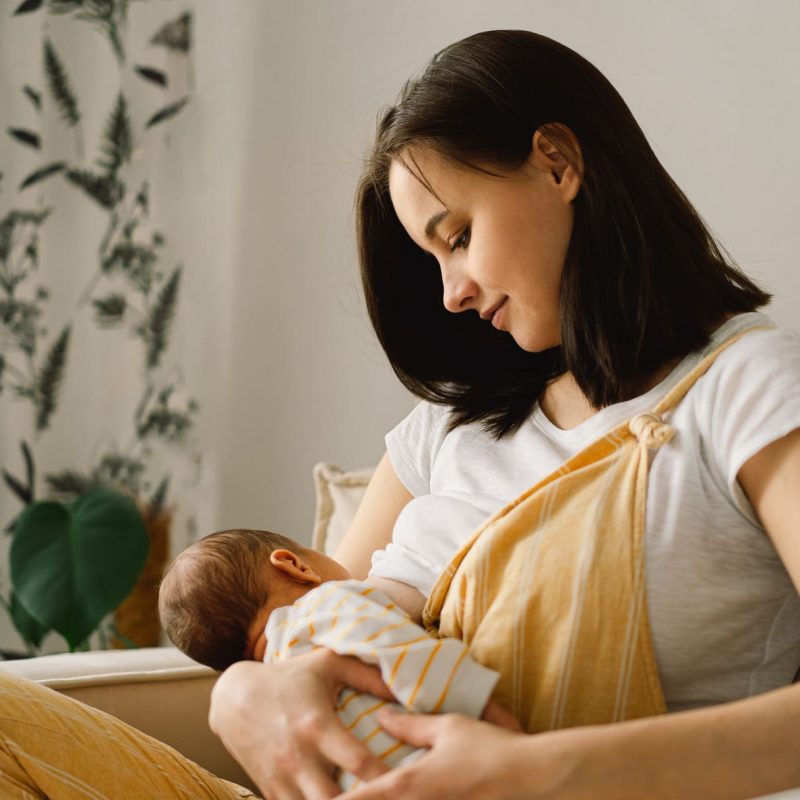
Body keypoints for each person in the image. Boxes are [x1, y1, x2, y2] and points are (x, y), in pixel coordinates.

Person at [1, 27, 798, 800]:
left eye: (458, 236)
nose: (451, 293)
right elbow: (323, 614)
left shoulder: (745, 388)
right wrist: (240, 694)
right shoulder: (454, 425)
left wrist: (533, 772)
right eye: (434, 259)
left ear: (558, 163)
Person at [157, 528, 506, 790]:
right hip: (435, 765)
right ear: (294, 565)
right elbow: (407, 655)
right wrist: (491, 713)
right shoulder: (329, 604)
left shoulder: (279, 694)